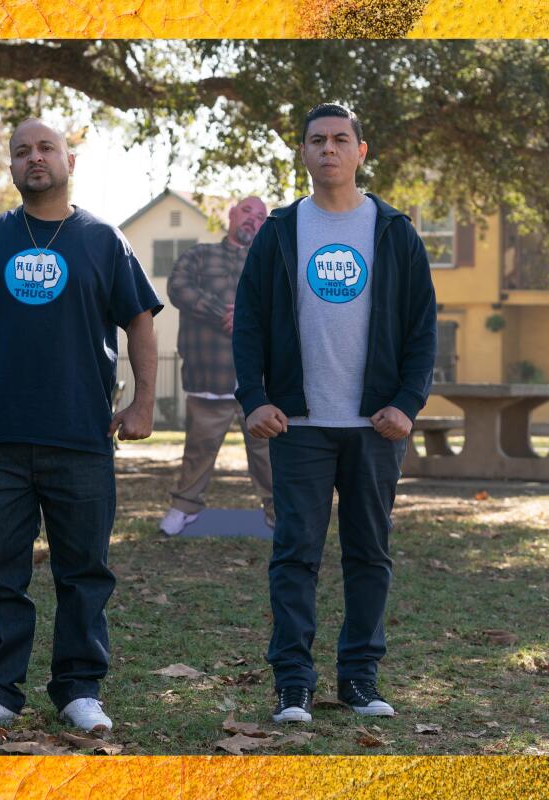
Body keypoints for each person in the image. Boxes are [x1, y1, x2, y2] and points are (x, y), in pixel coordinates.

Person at [0, 118, 161, 735]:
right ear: (11, 167)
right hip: (0, 437)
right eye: (23, 151)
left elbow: (140, 322)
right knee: (1, 571)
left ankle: (80, 690)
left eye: (46, 148)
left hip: (82, 435)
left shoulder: (104, 240)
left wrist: (142, 404)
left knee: (85, 571)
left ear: (70, 160)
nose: (35, 158)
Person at [233, 104, 437, 723]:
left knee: (369, 553)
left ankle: (360, 678)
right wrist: (256, 399)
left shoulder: (394, 230)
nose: (329, 149)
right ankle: (293, 682)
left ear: (361, 151)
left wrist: (405, 403)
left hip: (376, 427)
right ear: (303, 152)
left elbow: (423, 329)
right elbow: (248, 325)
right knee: (295, 553)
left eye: (340, 140)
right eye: (317, 140)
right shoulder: (280, 231)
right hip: (299, 424)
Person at [159, 195, 273, 536]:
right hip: (210, 371)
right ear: (232, 215)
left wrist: (247, 317)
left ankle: (278, 512)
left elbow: (285, 304)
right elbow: (178, 286)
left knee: (268, 452)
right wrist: (220, 312)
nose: (253, 219)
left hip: (260, 379)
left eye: (261, 216)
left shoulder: (270, 263)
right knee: (199, 448)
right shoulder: (198, 255)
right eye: (247, 211)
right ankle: (184, 507)